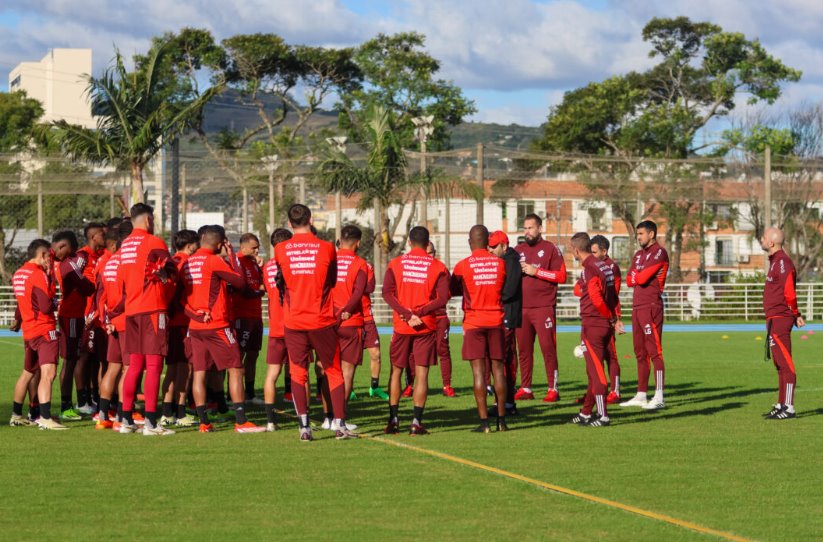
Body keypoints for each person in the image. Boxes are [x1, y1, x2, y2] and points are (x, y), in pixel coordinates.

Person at [275, 204, 354, 441]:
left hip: (294, 320)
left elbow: (283, 281)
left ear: (289, 223)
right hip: (322, 320)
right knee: (333, 371)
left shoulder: (280, 249)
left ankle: (304, 428)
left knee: (299, 373)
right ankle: (340, 425)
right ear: (310, 219)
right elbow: (332, 279)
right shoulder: (328, 247)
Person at [182, 226, 265, 434]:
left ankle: (204, 422)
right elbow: (240, 282)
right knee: (236, 368)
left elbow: (181, 297)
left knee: (200, 372)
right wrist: (231, 255)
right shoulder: (214, 260)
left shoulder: (189, 262)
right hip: (218, 325)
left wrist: (195, 314)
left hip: (196, 326)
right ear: (220, 244)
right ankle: (241, 421)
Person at [111, 203, 178, 435]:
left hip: (132, 311)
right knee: (154, 365)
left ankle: (126, 419)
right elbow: (172, 271)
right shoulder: (154, 242)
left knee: (134, 366)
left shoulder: (125, 245)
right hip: (152, 310)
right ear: (148, 220)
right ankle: (150, 423)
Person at [382, 226, 450, 435]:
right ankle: (415, 422)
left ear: (410, 242)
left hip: (402, 326)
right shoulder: (438, 266)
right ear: (428, 243)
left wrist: (405, 313)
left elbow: (386, 293)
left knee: (396, 371)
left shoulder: (395, 264)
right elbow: (443, 297)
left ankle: (393, 420)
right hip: (425, 325)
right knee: (422, 373)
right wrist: (419, 312)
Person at [450, 225, 508, 433]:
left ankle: (484, 423)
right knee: (498, 371)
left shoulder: (462, 265)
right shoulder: (500, 264)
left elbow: (453, 288)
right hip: (496, 321)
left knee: (478, 373)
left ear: (469, 242)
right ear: (486, 242)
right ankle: (502, 420)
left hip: (474, 322)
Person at [9, 239, 67, 430]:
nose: (50, 262)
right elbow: (44, 305)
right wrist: (56, 303)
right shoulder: (37, 274)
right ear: (42, 255)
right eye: (48, 258)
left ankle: (16, 415)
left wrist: (18, 319)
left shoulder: (19, 273)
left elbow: (22, 300)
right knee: (48, 374)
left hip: (29, 331)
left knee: (27, 373)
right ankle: (44, 417)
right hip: (44, 330)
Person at [514, 214, 567, 402]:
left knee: (547, 348)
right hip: (522, 308)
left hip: (544, 307)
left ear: (540, 229)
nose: (527, 231)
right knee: (524, 350)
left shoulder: (551, 249)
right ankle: (526, 388)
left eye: (530, 227)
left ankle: (553, 388)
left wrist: (536, 271)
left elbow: (561, 276)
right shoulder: (517, 250)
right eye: (525, 228)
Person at [568, 233, 618, 427]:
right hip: (604, 324)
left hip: (593, 325)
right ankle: (586, 412)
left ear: (576, 250)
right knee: (592, 371)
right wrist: (613, 317)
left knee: (596, 372)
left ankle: (603, 415)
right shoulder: (604, 265)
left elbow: (597, 298)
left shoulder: (590, 268)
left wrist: (609, 316)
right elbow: (612, 294)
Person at [620, 220, 668, 410]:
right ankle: (641, 394)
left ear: (651, 234)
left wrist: (637, 276)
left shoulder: (659, 252)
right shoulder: (639, 254)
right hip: (637, 306)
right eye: (637, 233)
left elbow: (640, 277)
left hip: (651, 305)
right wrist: (637, 276)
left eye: (641, 233)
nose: (638, 237)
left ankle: (659, 395)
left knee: (654, 351)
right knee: (640, 352)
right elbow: (629, 279)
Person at [51, 230, 96, 421]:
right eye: (56, 248)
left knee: (73, 359)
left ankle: (70, 405)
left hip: (75, 315)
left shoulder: (70, 261)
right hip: (70, 316)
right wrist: (90, 283)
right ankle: (65, 406)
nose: (57, 252)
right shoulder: (69, 264)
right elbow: (87, 287)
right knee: (69, 361)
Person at [761, 227, 804, 419]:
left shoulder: (783, 262)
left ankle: (789, 407)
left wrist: (796, 314)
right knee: (779, 364)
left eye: (763, 237)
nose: (761, 239)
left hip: (780, 319)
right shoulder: (775, 261)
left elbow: (789, 293)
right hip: (773, 319)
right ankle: (781, 404)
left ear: (771, 242)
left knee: (786, 364)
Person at [159, 229, 199, 427]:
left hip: (170, 321)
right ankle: (181, 412)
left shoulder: (172, 260)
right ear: (191, 245)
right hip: (183, 321)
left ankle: (167, 412)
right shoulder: (187, 263)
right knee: (185, 368)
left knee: (173, 367)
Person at [332, 225, 370, 411]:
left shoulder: (328, 260)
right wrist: (346, 310)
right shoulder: (360, 263)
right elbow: (359, 291)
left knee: (328, 370)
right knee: (347, 372)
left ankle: (327, 416)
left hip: (328, 321)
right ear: (358, 242)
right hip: (351, 322)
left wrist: (335, 311)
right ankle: (340, 417)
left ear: (340, 240)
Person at [262, 228, 293, 431]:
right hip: (295, 326)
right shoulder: (293, 266)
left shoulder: (266, 268)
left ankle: (270, 421)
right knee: (300, 374)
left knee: (272, 374)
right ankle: (303, 419)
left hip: (275, 328)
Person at [488, 230, 522, 415]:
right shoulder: (504, 260)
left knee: (505, 359)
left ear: (504, 245)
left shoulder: (511, 261)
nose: (490, 250)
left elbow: (509, 290)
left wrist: (492, 298)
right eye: (489, 246)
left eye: (494, 247)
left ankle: (507, 403)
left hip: (508, 315)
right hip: (505, 314)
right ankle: (503, 401)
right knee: (501, 359)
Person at [77, 221, 108, 415]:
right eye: (103, 235)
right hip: (85, 316)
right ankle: (82, 400)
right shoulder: (82, 256)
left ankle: (94, 396)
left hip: (98, 316)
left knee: (96, 358)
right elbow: (66, 277)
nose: (105, 238)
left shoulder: (100, 257)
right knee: (83, 358)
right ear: (94, 236)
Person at [590, 234, 624, 403]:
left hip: (607, 316)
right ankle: (594, 391)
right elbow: (577, 289)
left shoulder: (612, 268)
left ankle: (615, 391)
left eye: (595, 252)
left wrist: (616, 318)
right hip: (593, 317)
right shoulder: (592, 266)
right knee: (594, 357)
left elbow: (613, 295)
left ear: (604, 251)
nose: (592, 255)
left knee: (610, 355)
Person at [233, 233, 266, 405]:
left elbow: (263, 284)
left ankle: (250, 394)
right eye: (254, 247)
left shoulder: (254, 263)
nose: (257, 250)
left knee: (253, 355)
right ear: (243, 246)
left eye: (257, 247)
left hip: (256, 316)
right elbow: (245, 290)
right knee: (238, 356)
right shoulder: (236, 262)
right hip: (242, 316)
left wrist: (261, 273)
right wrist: (259, 291)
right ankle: (233, 394)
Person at [427, 242, 456, 397]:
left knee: (443, 350)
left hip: (440, 317)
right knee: (415, 353)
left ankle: (447, 385)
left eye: (431, 253)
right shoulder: (417, 270)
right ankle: (410, 385)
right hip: (424, 318)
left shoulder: (441, 269)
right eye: (426, 253)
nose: (428, 256)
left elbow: (448, 293)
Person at [361, 262, 389, 400]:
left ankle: (374, 387)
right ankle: (349, 389)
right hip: (348, 318)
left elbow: (370, 287)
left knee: (376, 353)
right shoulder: (336, 265)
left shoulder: (366, 266)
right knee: (349, 358)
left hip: (367, 317)